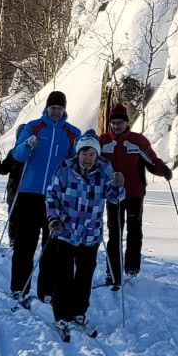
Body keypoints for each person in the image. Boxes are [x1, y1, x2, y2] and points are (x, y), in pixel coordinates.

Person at [46, 129, 124, 330]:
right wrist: (53, 218)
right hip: (65, 231)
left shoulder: (104, 170)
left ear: (96, 155)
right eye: (84, 154)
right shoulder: (64, 170)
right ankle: (61, 314)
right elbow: (51, 195)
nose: (87, 158)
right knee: (63, 274)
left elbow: (115, 198)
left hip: (91, 234)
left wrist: (117, 185)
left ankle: (79, 312)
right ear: (78, 153)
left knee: (84, 275)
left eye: (91, 154)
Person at [8, 90, 80, 304]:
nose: (56, 112)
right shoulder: (34, 127)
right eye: (53, 108)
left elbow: (73, 163)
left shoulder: (71, 132)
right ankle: (19, 288)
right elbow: (17, 155)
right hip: (29, 193)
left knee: (51, 246)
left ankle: (46, 290)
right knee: (25, 244)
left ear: (64, 110)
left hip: (55, 197)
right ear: (47, 109)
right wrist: (27, 144)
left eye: (60, 108)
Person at [99, 103, 172, 288]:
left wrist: (163, 169)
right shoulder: (103, 142)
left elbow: (151, 161)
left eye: (120, 122)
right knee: (115, 233)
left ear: (126, 123)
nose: (117, 126)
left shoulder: (138, 141)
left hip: (134, 193)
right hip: (113, 195)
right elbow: (91, 161)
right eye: (114, 123)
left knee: (134, 231)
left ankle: (131, 269)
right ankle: (112, 272)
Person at [0, 124, 27, 245]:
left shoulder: (30, 153)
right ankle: (13, 238)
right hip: (15, 188)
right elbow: (4, 169)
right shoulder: (13, 153)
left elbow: (4, 169)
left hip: (25, 189)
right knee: (14, 214)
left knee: (20, 214)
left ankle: (18, 238)